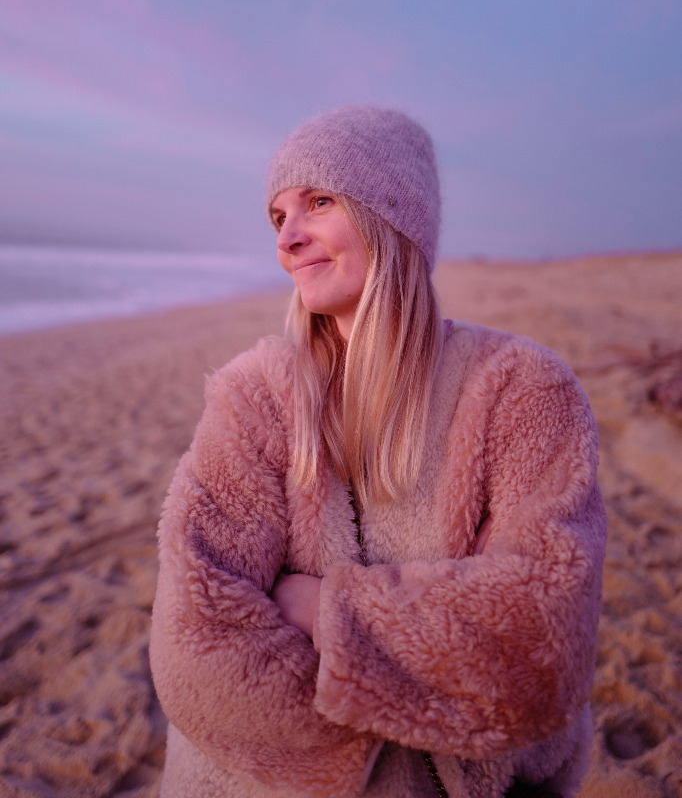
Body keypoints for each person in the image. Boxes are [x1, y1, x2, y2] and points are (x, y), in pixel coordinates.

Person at [150, 106, 606, 798]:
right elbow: (195, 646)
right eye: (277, 217)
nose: (289, 239)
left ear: (395, 214)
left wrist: (328, 613)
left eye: (319, 201)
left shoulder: (520, 389)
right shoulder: (253, 396)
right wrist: (426, 692)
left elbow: (541, 636)